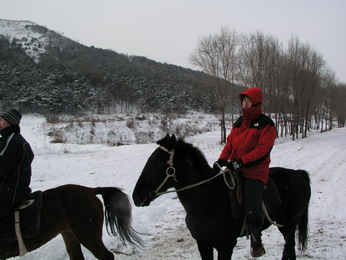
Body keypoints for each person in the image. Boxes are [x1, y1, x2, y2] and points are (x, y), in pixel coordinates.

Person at [213, 87, 276, 258]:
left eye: (248, 100)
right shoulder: (239, 122)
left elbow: (262, 150)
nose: (245, 103)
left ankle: (256, 240)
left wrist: (240, 163)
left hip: (255, 172)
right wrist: (222, 159)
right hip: (234, 168)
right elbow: (230, 144)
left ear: (256, 102)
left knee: (250, 205)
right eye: (243, 100)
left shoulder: (266, 124)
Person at [0, 109, 34, 221]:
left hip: (10, 192)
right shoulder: (7, 139)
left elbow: (2, 166)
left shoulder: (13, 140)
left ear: (10, 121)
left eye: (1, 120)